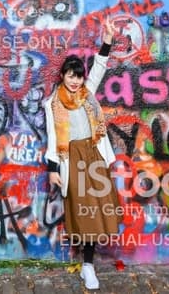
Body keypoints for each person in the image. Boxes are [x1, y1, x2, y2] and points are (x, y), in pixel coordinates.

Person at [44, 18, 120, 291]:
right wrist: (52, 169)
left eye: (79, 76)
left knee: (97, 211)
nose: (75, 81)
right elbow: (53, 138)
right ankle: (87, 267)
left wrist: (108, 40)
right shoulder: (53, 104)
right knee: (84, 213)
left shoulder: (88, 95)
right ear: (63, 76)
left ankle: (88, 264)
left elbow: (99, 66)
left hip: (93, 154)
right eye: (71, 75)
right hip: (71, 159)